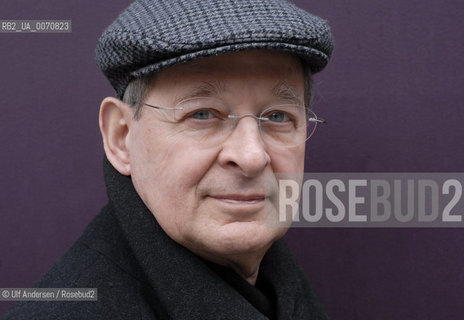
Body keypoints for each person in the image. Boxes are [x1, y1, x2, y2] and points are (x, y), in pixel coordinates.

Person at [2, 0, 334, 319]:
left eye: (277, 116)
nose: (251, 156)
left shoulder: (280, 289)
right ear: (121, 137)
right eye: (202, 114)